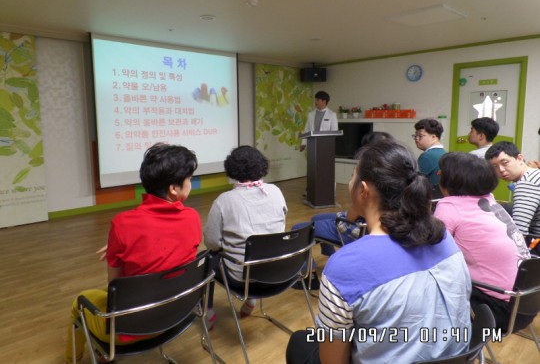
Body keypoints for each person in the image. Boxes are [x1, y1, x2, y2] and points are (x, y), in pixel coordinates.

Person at [286, 141, 471, 364]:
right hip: (456, 357)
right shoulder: (444, 238)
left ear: (363, 190)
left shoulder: (344, 265)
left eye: (352, 177)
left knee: (300, 341)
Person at [66, 143, 201, 363]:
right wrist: (126, 246)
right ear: (173, 189)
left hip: (128, 330)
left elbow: (115, 286)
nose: (190, 184)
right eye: (189, 179)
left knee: (79, 303)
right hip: (177, 314)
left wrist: (122, 244)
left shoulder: (123, 224)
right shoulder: (193, 217)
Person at [434, 152, 533, 332]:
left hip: (496, 312)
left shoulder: (449, 206)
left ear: (449, 180)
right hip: (527, 303)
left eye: (440, 173)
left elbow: (432, 254)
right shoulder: (490, 200)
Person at [204, 145, 287, 324]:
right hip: (277, 272)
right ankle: (251, 300)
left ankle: (207, 312)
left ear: (232, 169)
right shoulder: (275, 191)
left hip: (241, 278)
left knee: (206, 258)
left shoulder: (224, 201)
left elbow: (212, 243)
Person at [485, 142, 540, 242]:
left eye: (505, 163)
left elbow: (519, 233)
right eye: (495, 166)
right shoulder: (536, 174)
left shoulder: (526, 183)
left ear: (519, 158)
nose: (501, 170)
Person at [413, 118, 445, 196]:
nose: (416, 138)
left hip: (429, 198)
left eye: (420, 136)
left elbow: (413, 181)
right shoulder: (443, 152)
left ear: (433, 137)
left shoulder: (427, 156)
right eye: (415, 135)